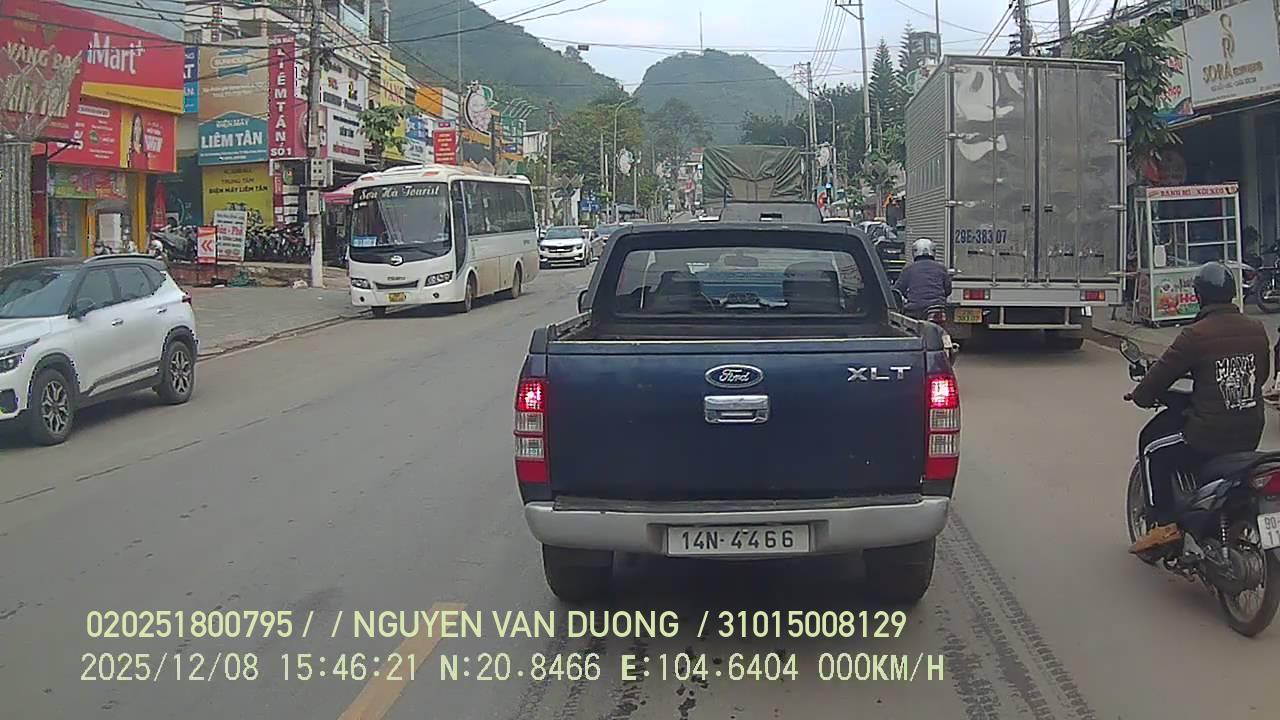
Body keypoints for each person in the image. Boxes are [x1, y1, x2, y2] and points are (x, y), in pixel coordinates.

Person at [1127, 261, 1270, 554]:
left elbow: (1161, 375)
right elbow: (1262, 375)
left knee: (1152, 447)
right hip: (1250, 431)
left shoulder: (1195, 334)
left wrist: (1141, 396)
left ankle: (1163, 525)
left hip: (1208, 435)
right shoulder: (1256, 329)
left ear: (1199, 295)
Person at [894, 238, 952, 318]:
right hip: (938, 308)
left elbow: (898, 290)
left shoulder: (908, 269)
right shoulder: (941, 268)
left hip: (915, 309)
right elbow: (948, 290)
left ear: (915, 252)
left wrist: (908, 295)